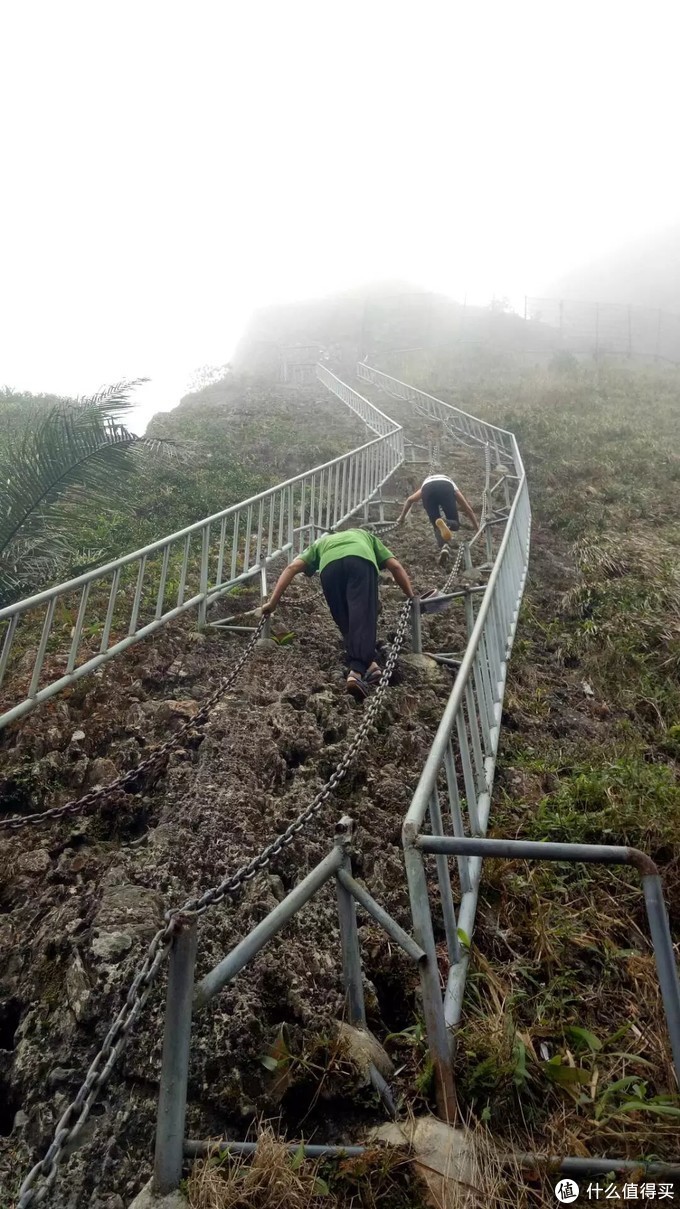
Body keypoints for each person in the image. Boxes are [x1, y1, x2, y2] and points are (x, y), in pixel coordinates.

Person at [261, 528, 415, 699]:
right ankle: (356, 672)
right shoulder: (364, 535)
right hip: (360, 560)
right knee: (362, 617)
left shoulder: (320, 543)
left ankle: (371, 666)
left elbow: (292, 567)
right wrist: (412, 596)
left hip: (329, 567)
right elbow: (395, 565)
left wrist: (272, 602)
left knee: (346, 622)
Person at [396, 473, 479, 564]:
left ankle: (444, 547)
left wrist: (401, 518)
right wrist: (477, 529)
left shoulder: (425, 485)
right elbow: (468, 509)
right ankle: (446, 522)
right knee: (455, 524)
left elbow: (409, 500)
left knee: (436, 525)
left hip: (427, 489)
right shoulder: (451, 484)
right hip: (446, 487)